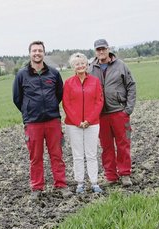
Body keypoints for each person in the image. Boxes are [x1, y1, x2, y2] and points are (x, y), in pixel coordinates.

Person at [13, 40, 73, 200]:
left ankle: (61, 184)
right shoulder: (21, 75)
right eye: (34, 51)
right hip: (33, 123)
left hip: (52, 120)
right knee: (35, 157)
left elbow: (59, 94)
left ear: (44, 53)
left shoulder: (53, 73)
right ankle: (37, 187)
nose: (37, 53)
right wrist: (29, 111)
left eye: (40, 50)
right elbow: (17, 98)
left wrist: (51, 107)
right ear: (30, 53)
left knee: (57, 154)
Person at [88, 39, 137, 187]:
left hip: (119, 112)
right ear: (95, 51)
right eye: (98, 50)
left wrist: (128, 109)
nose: (101, 52)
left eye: (103, 49)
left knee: (123, 144)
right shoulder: (91, 68)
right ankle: (111, 176)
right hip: (101, 115)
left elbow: (131, 86)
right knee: (106, 146)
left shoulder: (121, 65)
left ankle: (125, 174)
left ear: (108, 49)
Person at [62, 53, 104, 194]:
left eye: (82, 63)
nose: (80, 66)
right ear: (73, 66)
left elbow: (99, 101)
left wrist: (89, 120)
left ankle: (94, 182)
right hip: (74, 125)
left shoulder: (95, 81)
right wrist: (77, 121)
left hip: (92, 124)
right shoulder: (68, 83)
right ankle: (80, 183)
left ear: (87, 65)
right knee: (78, 154)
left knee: (92, 154)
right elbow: (66, 104)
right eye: (77, 64)